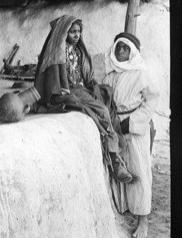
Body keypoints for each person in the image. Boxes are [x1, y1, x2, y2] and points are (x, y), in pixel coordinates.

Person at [33, 15, 133, 183]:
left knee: (106, 95)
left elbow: (86, 74)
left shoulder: (79, 50)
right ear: (63, 33)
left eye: (78, 31)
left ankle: (118, 151)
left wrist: (91, 84)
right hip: (71, 89)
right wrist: (62, 92)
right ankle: (114, 158)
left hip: (83, 88)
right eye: (72, 32)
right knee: (100, 110)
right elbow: (54, 80)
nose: (76, 35)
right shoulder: (58, 52)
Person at [102, 32, 159, 238]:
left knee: (138, 169)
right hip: (115, 126)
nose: (122, 52)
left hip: (134, 127)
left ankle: (142, 219)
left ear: (133, 51)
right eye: (119, 48)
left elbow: (151, 101)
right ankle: (127, 208)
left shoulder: (142, 74)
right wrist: (114, 125)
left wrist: (132, 123)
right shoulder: (110, 74)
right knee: (120, 168)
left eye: (126, 48)